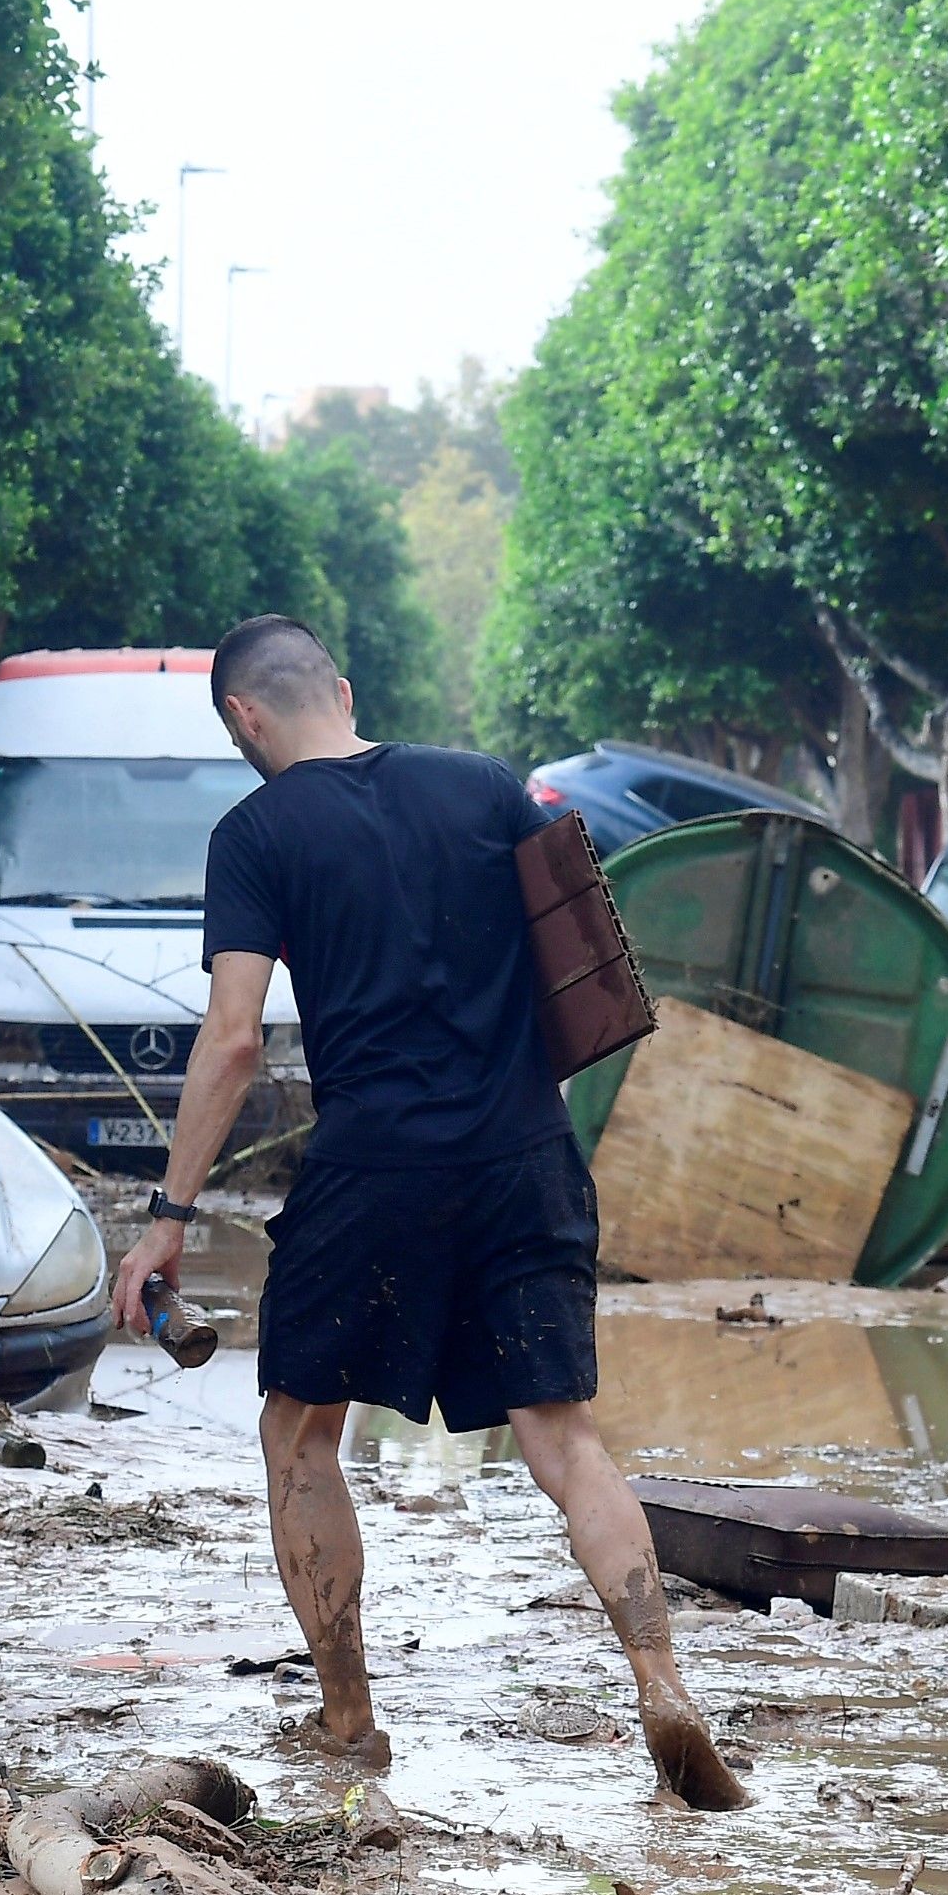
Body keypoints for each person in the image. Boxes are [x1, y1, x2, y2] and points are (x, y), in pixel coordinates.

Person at [110, 615, 748, 1811]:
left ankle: (349, 1723)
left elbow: (236, 1038)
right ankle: (663, 1683)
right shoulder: (487, 786)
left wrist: (168, 1217)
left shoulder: (254, 834)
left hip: (374, 1168)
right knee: (566, 1441)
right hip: (524, 1150)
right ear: (341, 691)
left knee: (302, 1433)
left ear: (245, 719)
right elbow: (586, 969)